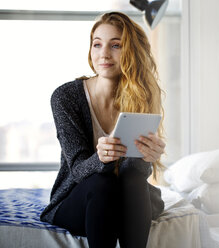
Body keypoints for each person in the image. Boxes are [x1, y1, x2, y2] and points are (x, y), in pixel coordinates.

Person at [40, 11, 166, 248]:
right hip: (82, 197)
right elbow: (77, 171)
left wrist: (146, 156)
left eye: (116, 45)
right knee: (101, 183)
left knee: (134, 180)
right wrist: (100, 158)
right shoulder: (66, 97)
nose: (104, 54)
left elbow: (135, 173)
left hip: (127, 194)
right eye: (97, 45)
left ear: (130, 51)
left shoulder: (142, 95)